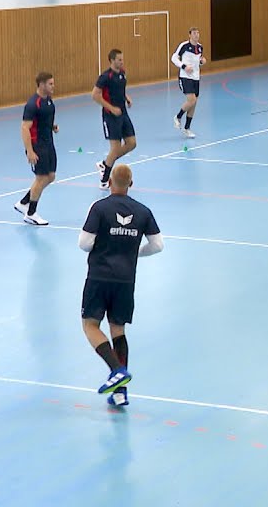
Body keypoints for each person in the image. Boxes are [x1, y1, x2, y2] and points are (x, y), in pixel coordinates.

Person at [78, 164, 163, 407]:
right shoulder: (143, 211)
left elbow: (84, 243)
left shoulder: (99, 208)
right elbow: (157, 245)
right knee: (118, 329)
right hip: (126, 280)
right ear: (131, 184)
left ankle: (117, 369)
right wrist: (134, 253)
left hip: (99, 277)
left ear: (110, 182)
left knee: (90, 325)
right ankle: (120, 392)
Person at [15, 72, 58, 226]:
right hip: (37, 145)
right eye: (50, 84)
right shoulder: (33, 104)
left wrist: (52, 126)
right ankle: (31, 213)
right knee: (41, 178)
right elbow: (25, 128)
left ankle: (24, 202)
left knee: (50, 176)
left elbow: (43, 120)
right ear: (41, 84)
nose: (53, 86)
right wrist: (30, 151)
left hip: (48, 143)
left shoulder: (48, 100)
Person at [93, 49, 136, 190]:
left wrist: (126, 97)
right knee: (115, 148)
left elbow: (120, 89)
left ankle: (105, 164)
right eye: (119, 60)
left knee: (132, 143)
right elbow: (95, 95)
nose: (122, 62)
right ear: (112, 60)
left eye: (122, 59)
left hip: (123, 113)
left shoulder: (122, 73)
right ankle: (104, 180)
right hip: (110, 116)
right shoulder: (105, 77)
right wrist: (111, 108)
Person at [171, 28, 206, 139]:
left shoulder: (200, 47)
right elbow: (173, 58)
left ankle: (187, 128)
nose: (196, 35)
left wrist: (201, 62)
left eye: (198, 33)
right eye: (194, 33)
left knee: (194, 103)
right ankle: (178, 117)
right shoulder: (184, 46)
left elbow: (197, 62)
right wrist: (184, 66)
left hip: (196, 78)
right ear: (190, 35)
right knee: (192, 100)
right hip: (185, 77)